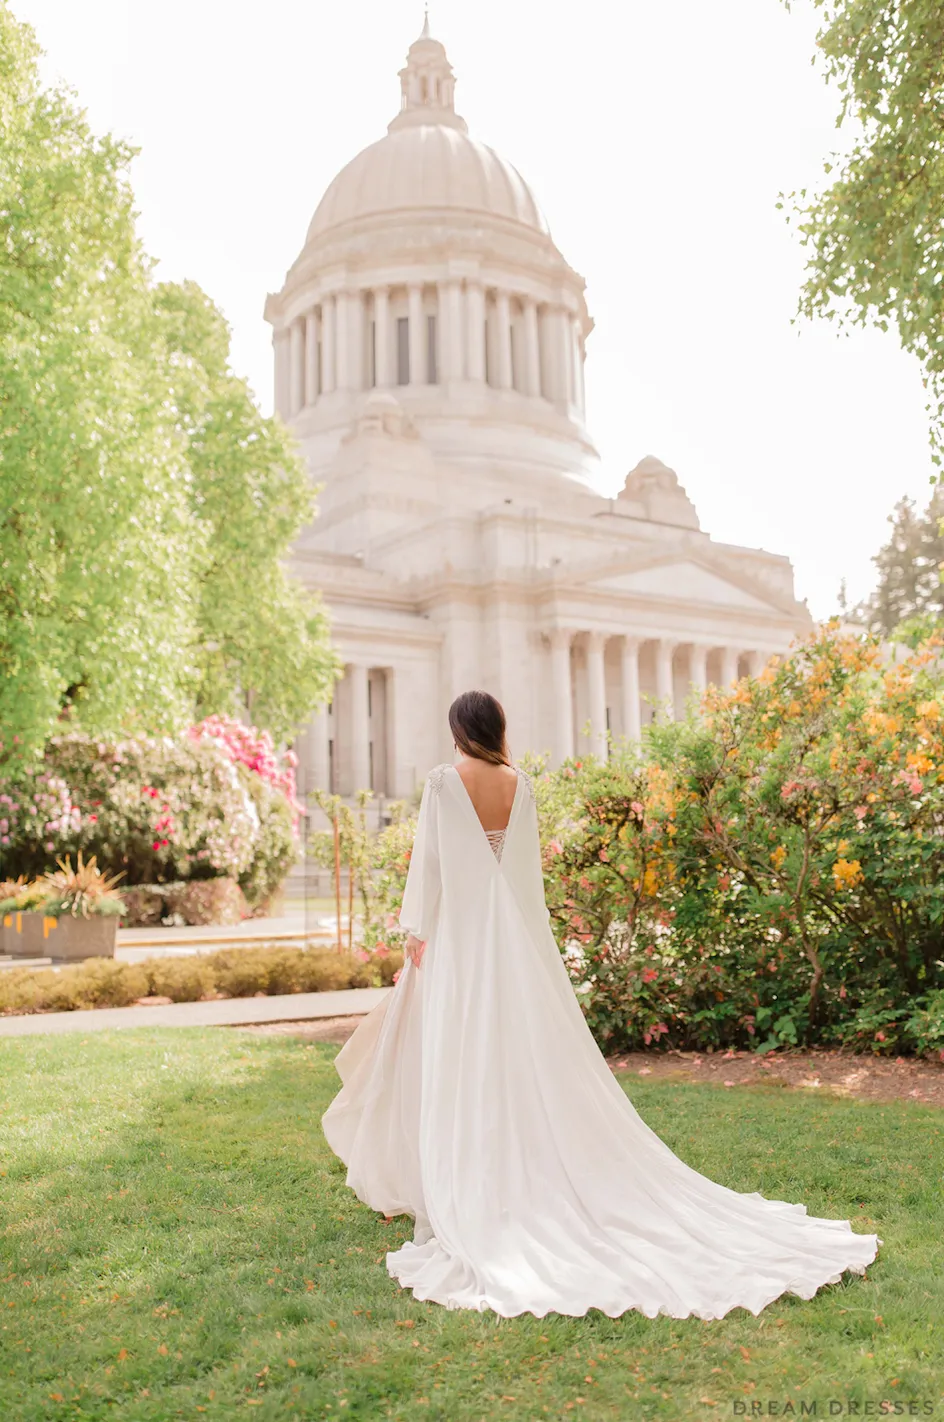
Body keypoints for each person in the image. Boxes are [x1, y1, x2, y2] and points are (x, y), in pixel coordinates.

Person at [321, 689, 881, 1320]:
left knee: (464, 1053)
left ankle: (478, 1178)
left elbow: (430, 868)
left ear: (457, 728)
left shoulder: (445, 782)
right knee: (522, 1053)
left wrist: (415, 933)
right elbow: (525, 879)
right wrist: (533, 948)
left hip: (463, 943)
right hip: (513, 943)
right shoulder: (519, 784)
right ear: (497, 726)